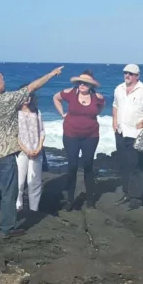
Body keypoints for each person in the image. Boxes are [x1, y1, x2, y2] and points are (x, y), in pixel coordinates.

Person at [0, 66, 63, 235]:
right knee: (9, 193)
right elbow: (32, 87)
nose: (5, 82)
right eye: (3, 80)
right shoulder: (8, 99)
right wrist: (50, 74)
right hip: (6, 155)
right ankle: (7, 228)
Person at [53, 70, 105, 210]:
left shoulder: (97, 97)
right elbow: (56, 98)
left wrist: (93, 115)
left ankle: (90, 199)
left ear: (91, 85)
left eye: (86, 83)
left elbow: (101, 107)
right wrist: (62, 113)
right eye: (80, 82)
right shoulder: (70, 93)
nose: (82, 85)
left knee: (88, 165)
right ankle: (70, 199)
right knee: (72, 166)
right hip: (71, 135)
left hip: (91, 136)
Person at [112, 64, 143, 209]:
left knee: (137, 166)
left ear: (137, 76)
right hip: (120, 131)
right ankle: (127, 192)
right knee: (125, 164)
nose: (127, 76)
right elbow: (115, 105)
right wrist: (114, 121)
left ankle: (136, 197)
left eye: (130, 74)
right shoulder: (119, 88)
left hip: (136, 134)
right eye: (125, 73)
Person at [16, 91, 45, 213]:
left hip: (36, 151)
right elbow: (14, 135)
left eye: (29, 95)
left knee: (34, 182)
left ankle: (34, 209)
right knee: (19, 182)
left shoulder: (37, 112)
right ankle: (18, 207)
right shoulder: (15, 113)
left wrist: (39, 147)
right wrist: (25, 149)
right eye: (24, 95)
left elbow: (42, 131)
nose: (27, 98)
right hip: (21, 152)